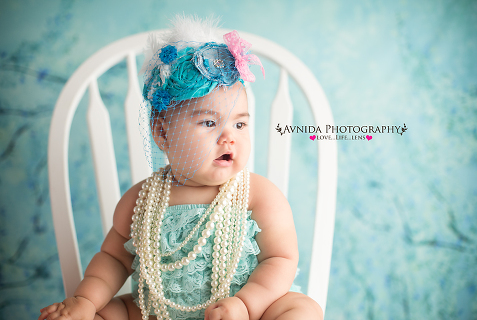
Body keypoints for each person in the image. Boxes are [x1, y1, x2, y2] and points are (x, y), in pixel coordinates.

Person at [39, 16, 323, 320]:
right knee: (107, 312)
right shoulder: (141, 202)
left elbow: (281, 258)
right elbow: (113, 259)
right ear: (162, 134)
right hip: (156, 312)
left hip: (245, 311)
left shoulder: (259, 196)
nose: (229, 136)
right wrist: (86, 299)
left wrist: (245, 304)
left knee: (302, 309)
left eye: (240, 123)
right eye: (209, 123)